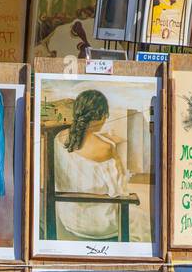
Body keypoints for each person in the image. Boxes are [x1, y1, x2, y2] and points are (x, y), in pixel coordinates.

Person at [50, 89, 132, 241]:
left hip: (68, 217)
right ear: (100, 116)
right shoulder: (106, 147)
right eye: (105, 115)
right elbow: (119, 190)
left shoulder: (57, 137)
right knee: (143, 221)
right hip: (100, 224)